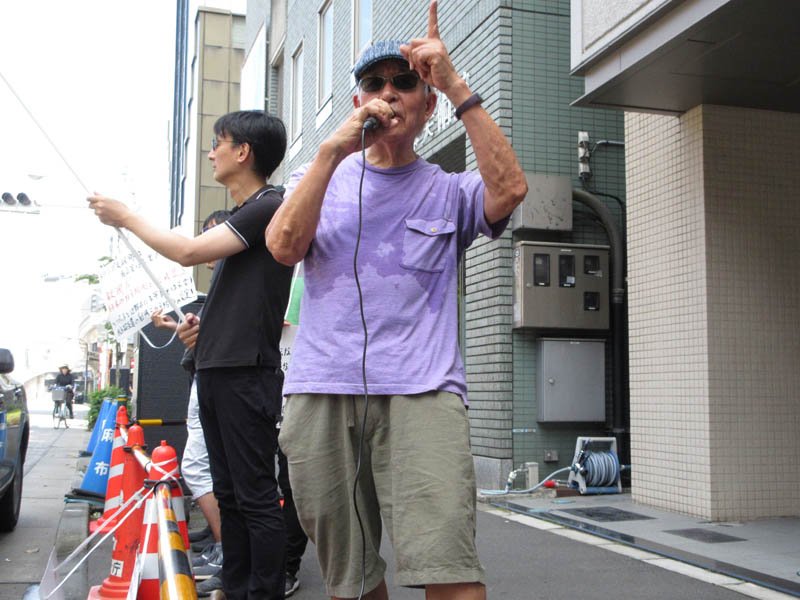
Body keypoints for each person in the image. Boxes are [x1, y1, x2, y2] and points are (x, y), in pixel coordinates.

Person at [266, 2, 528, 599]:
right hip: (321, 389)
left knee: (451, 569)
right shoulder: (318, 177)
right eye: (374, 83)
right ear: (357, 101)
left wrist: (454, 83)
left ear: (426, 104)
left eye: (405, 82)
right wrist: (330, 152)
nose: (388, 93)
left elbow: (510, 189)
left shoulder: (449, 190)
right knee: (351, 580)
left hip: (424, 392)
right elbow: (282, 247)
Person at [89, 109, 292, 600]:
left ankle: (266, 590)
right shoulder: (248, 214)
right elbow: (243, 304)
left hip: (245, 375)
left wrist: (126, 216)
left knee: (255, 496)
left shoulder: (269, 204)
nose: (211, 152)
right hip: (219, 370)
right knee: (230, 494)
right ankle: (238, 588)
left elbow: (186, 252)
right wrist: (204, 331)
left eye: (218, 142)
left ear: (243, 151)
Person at [149, 208, 231, 598]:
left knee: (201, 468)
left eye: (210, 232)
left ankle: (227, 550)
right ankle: (223, 546)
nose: (205, 240)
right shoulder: (225, 277)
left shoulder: (236, 274)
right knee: (212, 470)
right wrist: (176, 326)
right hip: (210, 378)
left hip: (222, 380)